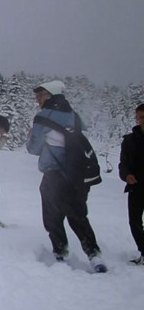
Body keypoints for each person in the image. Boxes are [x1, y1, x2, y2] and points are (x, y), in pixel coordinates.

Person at [26, 80, 106, 272]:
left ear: (52, 96)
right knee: (78, 215)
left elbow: (33, 148)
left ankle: (60, 253)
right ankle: (94, 255)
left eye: (42, 95)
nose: (38, 99)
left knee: (52, 216)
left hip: (54, 174)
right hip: (78, 175)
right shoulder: (75, 116)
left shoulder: (43, 116)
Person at [119, 103, 144, 265]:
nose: (140, 120)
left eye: (143, 117)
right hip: (137, 187)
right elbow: (123, 164)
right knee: (134, 222)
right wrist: (127, 175)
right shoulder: (129, 140)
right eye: (139, 117)